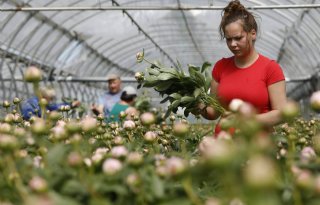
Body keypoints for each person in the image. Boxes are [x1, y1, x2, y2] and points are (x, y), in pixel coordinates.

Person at [199, 0, 287, 136]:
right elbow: (213, 112)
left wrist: (246, 121)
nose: (233, 44)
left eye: (238, 38)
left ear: (253, 34)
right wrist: (195, 103)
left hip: (258, 147)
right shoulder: (221, 67)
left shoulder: (270, 68)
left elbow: (281, 114)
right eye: (228, 39)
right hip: (223, 146)